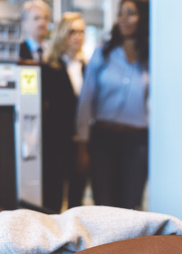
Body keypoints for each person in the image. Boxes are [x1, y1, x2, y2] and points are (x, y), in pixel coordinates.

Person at [75, 0, 149, 210]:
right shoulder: (103, 52)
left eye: (130, 13)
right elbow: (86, 101)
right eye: (120, 14)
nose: (123, 19)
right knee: (105, 206)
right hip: (103, 140)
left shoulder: (152, 57)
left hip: (137, 143)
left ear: (142, 18)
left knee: (131, 206)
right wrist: (82, 146)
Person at [41, 12, 88, 212]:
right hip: (56, 140)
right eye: (72, 31)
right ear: (62, 34)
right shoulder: (50, 67)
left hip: (81, 142)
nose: (78, 36)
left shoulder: (87, 67)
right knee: (54, 194)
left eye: (82, 31)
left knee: (78, 194)